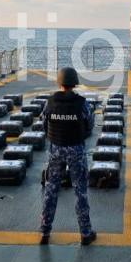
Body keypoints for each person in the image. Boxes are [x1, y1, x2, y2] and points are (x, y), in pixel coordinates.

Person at [39, 67, 97, 246]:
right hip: (76, 149)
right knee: (80, 191)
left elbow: (44, 123)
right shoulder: (82, 104)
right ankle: (85, 233)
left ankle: (45, 231)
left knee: (51, 190)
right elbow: (90, 124)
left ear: (60, 82)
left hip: (56, 149)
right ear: (74, 83)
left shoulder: (50, 102)